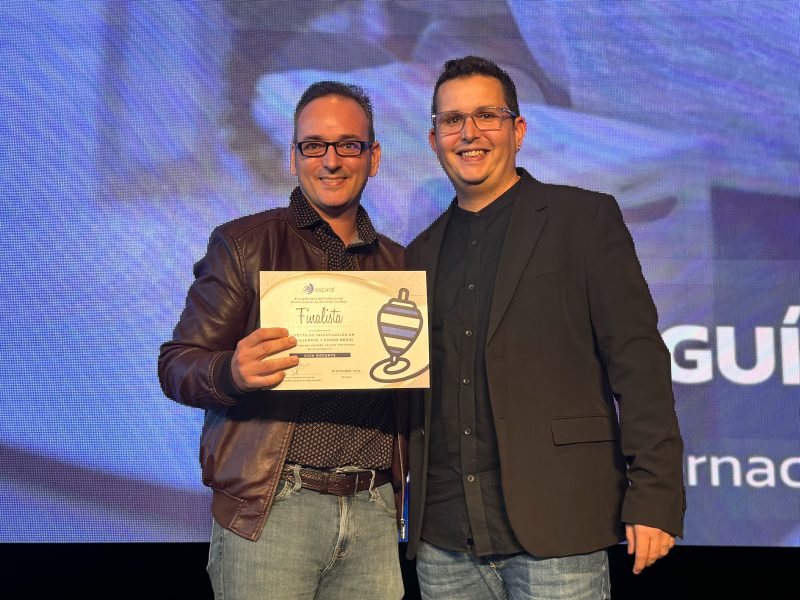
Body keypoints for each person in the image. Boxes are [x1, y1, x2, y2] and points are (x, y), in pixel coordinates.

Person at [405, 56, 685, 599]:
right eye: (452, 120)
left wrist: (655, 495)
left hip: (558, 531)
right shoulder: (418, 254)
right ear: (434, 139)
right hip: (445, 542)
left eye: (487, 115)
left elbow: (639, 362)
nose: (469, 133)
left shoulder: (583, 219)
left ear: (519, 129)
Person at [158, 81, 407, 599]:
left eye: (349, 144)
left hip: (375, 508)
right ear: (293, 158)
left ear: (374, 157)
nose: (331, 161)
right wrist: (230, 372)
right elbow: (177, 364)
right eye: (313, 145)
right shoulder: (244, 244)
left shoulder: (400, 265)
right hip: (274, 507)